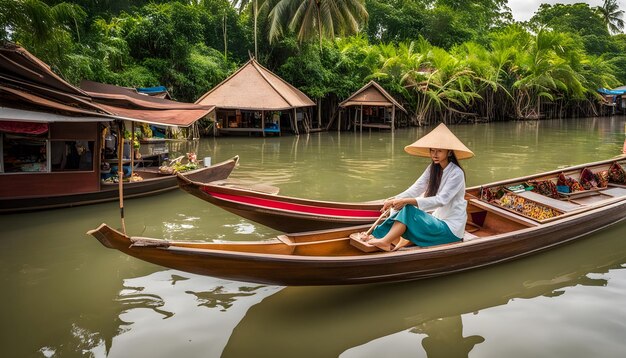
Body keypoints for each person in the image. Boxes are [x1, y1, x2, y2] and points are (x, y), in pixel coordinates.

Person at [365, 123, 474, 251]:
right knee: (403, 208)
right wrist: (394, 200)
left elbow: (441, 200)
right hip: (436, 221)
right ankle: (376, 235)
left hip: (451, 229)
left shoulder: (457, 173)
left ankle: (384, 241)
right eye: (432, 150)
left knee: (408, 209)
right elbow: (416, 188)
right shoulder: (433, 169)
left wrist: (405, 201)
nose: (435, 154)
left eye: (439, 150)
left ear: (449, 152)